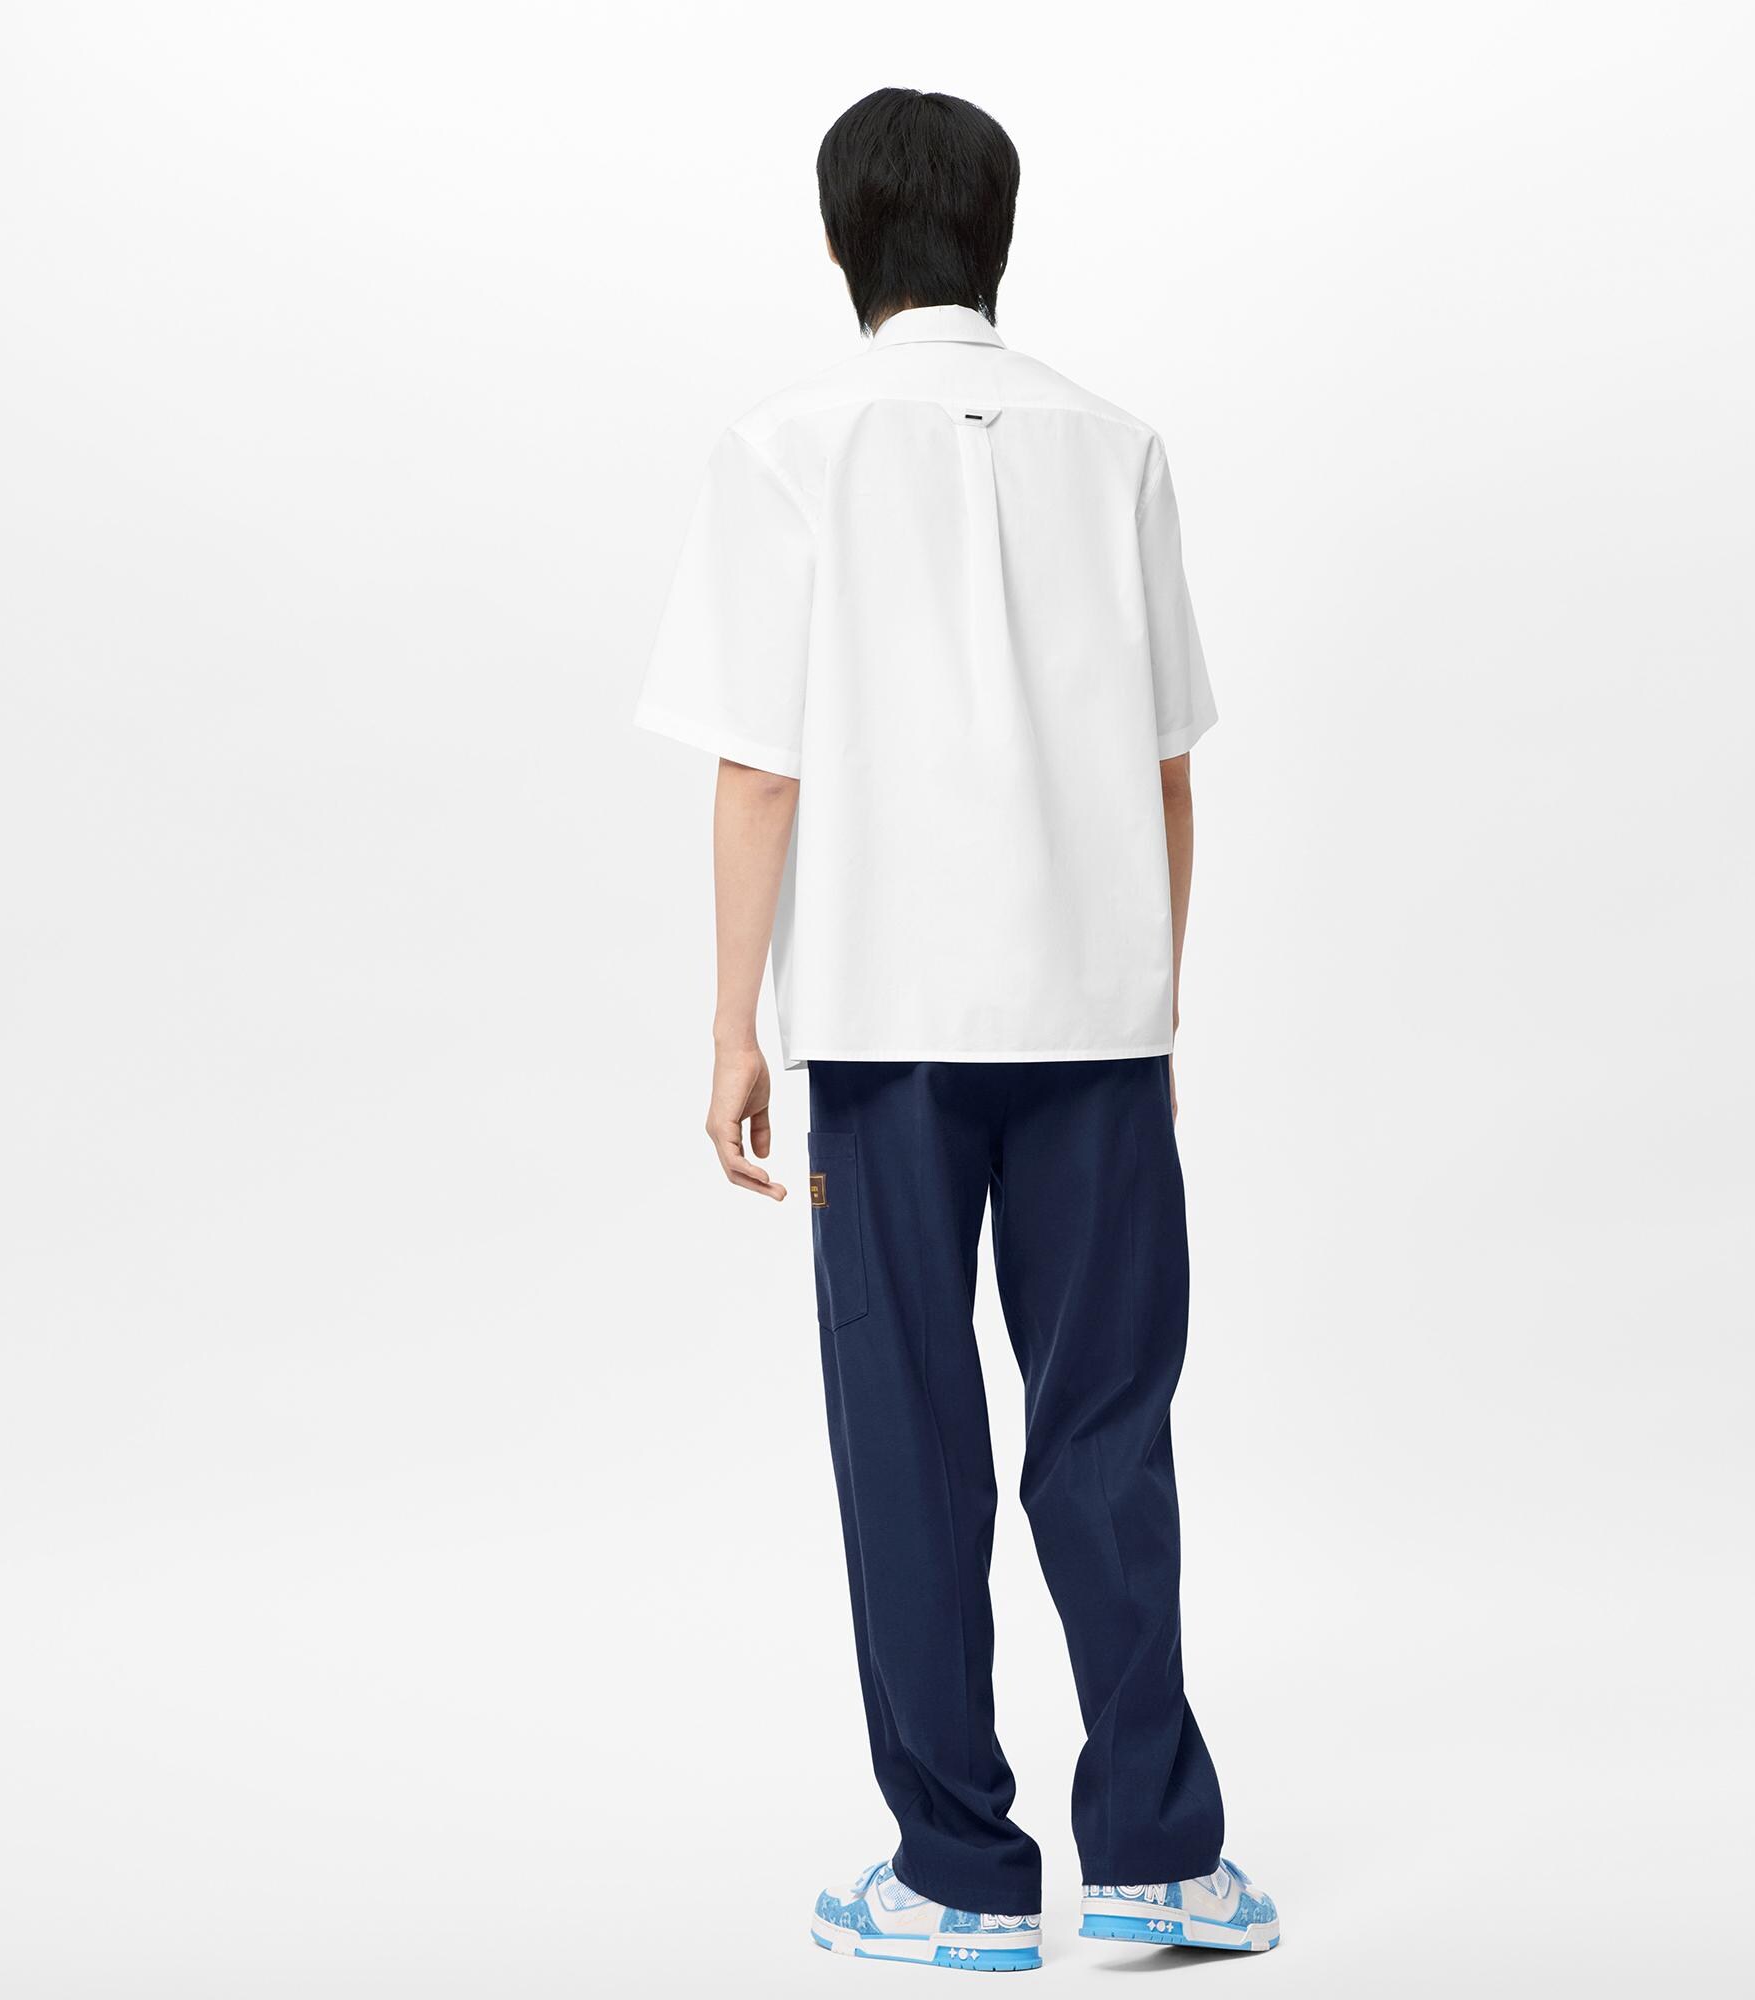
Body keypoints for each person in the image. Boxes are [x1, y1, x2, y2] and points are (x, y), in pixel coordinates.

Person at [636, 85, 1279, 1972]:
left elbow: (762, 771)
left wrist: (735, 1029)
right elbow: (1169, 773)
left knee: (908, 1440)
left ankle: (959, 1878)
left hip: (883, 1024)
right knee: (1110, 1432)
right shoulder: (1118, 445)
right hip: (1098, 1025)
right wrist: (1152, 1005)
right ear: (1000, 237)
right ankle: (1157, 1854)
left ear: (846, 241)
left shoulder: (785, 447)